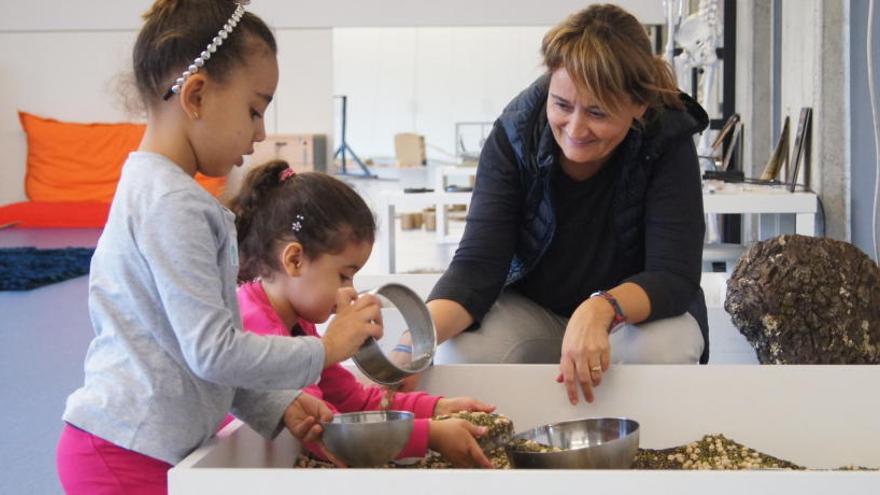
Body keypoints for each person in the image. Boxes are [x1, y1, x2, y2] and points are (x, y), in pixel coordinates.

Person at [56, 2, 382, 492]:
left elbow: (192, 355)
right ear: (197, 95)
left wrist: (278, 404)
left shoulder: (165, 191)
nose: (261, 132)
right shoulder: (172, 203)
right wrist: (326, 349)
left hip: (138, 447)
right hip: (125, 453)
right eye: (254, 109)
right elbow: (214, 352)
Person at [402, 4, 710, 405]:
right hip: (535, 311)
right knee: (461, 353)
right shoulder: (513, 136)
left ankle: (649, 454)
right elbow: (476, 268)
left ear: (639, 106)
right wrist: (410, 346)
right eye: (562, 105)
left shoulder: (666, 138)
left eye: (597, 112)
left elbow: (674, 274)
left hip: (628, 320)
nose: (575, 129)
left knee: (664, 349)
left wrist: (602, 309)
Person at [230, 161, 496, 468]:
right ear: (295, 260)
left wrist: (436, 409)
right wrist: (429, 434)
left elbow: (352, 400)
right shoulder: (256, 327)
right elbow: (325, 431)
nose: (350, 291)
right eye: (344, 276)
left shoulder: (298, 324)